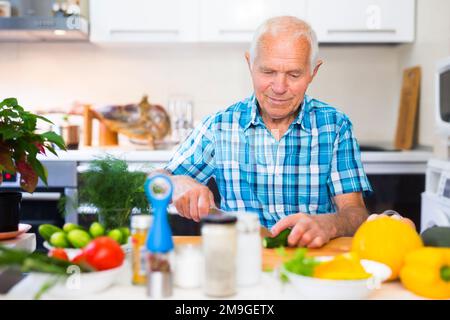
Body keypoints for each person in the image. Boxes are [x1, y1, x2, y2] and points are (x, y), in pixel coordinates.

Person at [157, 16, 409, 248]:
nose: (279, 87)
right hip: (240, 258)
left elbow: (355, 214)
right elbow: (154, 181)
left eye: (294, 74)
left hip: (310, 260)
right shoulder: (219, 126)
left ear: (313, 72)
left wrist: (330, 224)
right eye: (268, 72)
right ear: (250, 64)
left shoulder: (335, 126)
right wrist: (175, 182)